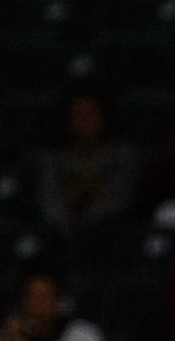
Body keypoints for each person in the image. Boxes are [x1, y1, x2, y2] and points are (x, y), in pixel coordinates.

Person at [36, 88, 140, 239]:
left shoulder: (124, 156)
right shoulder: (53, 160)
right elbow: (50, 199)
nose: (83, 121)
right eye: (76, 115)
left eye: (90, 114)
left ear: (104, 117)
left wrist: (86, 226)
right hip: (62, 236)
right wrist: (66, 227)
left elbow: (118, 200)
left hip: (112, 234)